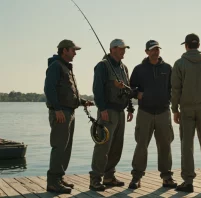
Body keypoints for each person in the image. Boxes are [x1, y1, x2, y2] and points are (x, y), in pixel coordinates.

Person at [171, 33, 201, 192]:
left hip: (186, 109)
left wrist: (174, 109)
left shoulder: (179, 64)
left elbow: (175, 89)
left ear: (186, 45)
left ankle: (188, 182)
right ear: (198, 45)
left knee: (187, 146)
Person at [44, 39, 93, 194]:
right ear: (64, 50)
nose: (75, 53)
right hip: (61, 113)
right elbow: (49, 89)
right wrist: (57, 109)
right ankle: (53, 182)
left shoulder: (66, 67)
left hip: (69, 112)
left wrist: (82, 101)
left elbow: (68, 93)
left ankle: (59, 177)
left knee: (66, 147)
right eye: (73, 50)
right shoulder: (55, 66)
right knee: (59, 146)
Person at [128, 40, 177, 189]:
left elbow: (174, 88)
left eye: (157, 49)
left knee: (165, 146)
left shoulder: (168, 68)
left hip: (164, 112)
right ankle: (136, 177)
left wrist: (175, 108)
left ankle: (167, 177)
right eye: (152, 50)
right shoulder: (139, 69)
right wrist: (137, 95)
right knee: (141, 145)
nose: (155, 52)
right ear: (146, 52)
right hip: (145, 112)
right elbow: (130, 89)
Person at [89, 39, 135, 191]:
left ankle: (109, 176)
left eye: (124, 48)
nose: (124, 51)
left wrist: (130, 108)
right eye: (121, 48)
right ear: (112, 49)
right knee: (103, 145)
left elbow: (127, 90)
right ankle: (95, 178)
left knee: (117, 146)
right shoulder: (102, 66)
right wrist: (102, 109)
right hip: (107, 111)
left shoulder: (124, 68)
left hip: (120, 112)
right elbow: (97, 89)